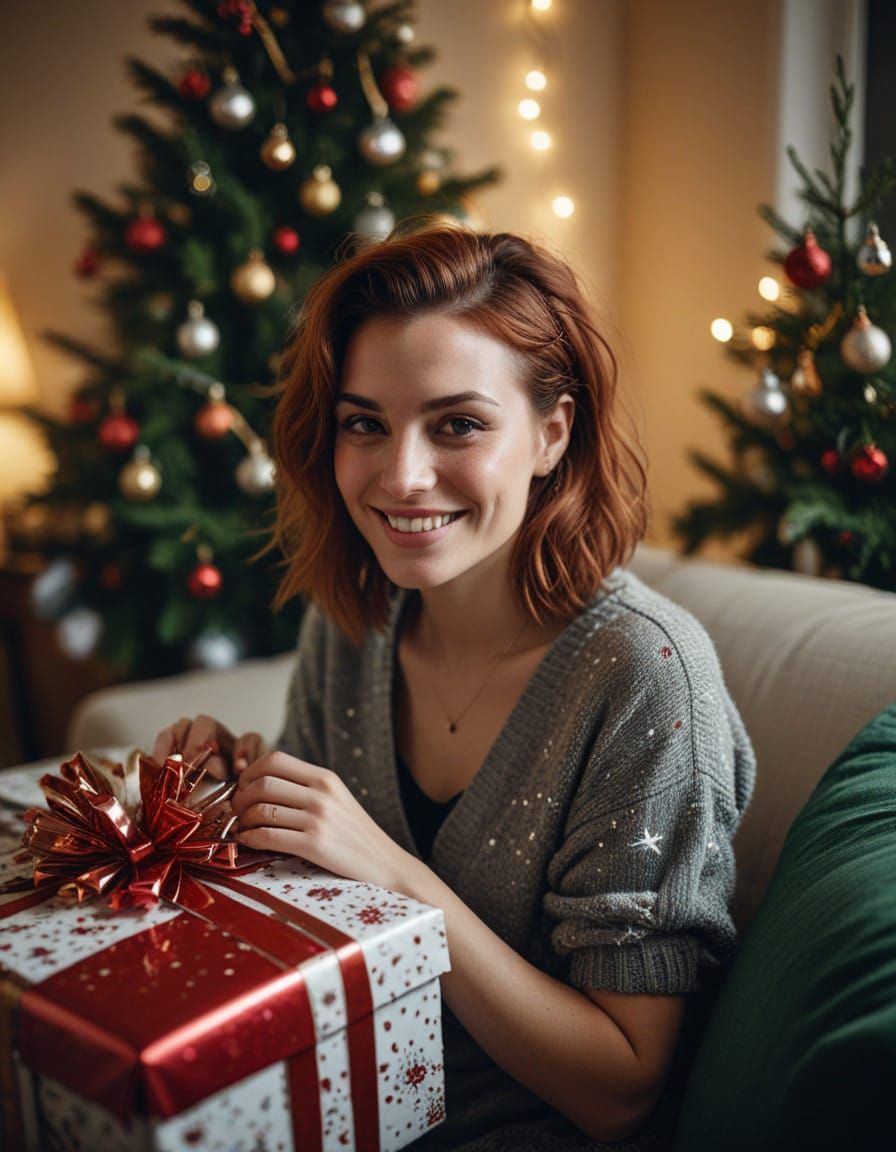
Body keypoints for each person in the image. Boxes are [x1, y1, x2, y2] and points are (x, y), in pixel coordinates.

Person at [153, 223, 755, 1151]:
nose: (401, 476)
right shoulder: (348, 627)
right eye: (366, 424)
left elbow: (624, 1090)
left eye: (458, 424)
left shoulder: (647, 677)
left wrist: (396, 878)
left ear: (552, 433)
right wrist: (232, 799)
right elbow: (317, 917)